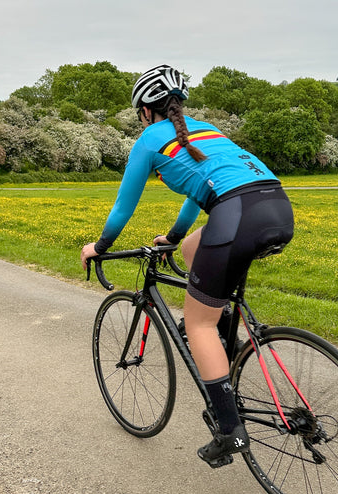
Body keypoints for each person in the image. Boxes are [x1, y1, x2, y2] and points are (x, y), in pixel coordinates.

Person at [80, 65, 294, 467]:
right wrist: (175, 237)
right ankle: (224, 325)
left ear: (145, 111)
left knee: (197, 325)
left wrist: (100, 245)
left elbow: (124, 206)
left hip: (235, 215)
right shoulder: (207, 129)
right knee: (196, 248)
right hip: (276, 207)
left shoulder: (148, 141)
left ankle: (229, 431)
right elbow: (199, 191)